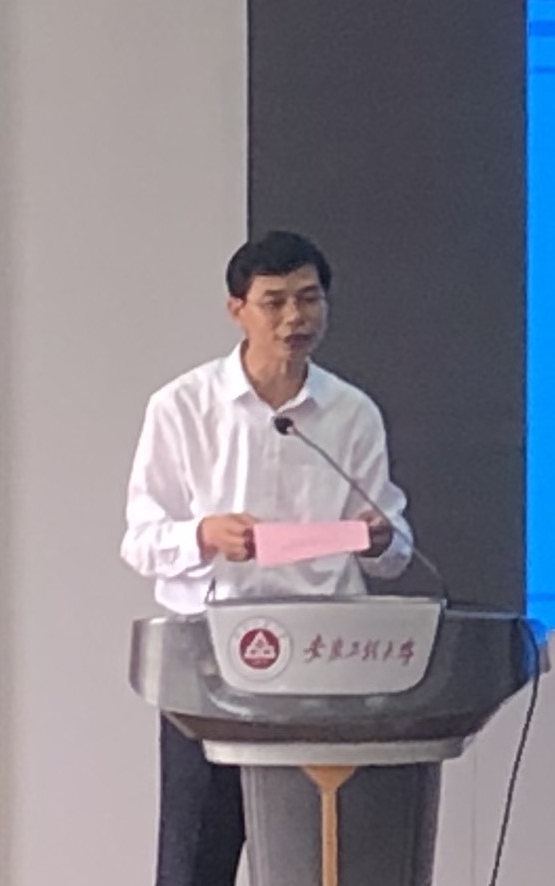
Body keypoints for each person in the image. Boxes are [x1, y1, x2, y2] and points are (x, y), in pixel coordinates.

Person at [120, 231, 416, 886]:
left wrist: (381, 539)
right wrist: (203, 535)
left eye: (309, 299)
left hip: (327, 666)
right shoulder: (182, 407)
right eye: (274, 301)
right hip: (211, 664)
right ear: (237, 310)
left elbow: (395, 546)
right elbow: (139, 539)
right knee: (196, 860)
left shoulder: (352, 413)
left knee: (320, 858)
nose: (294, 318)